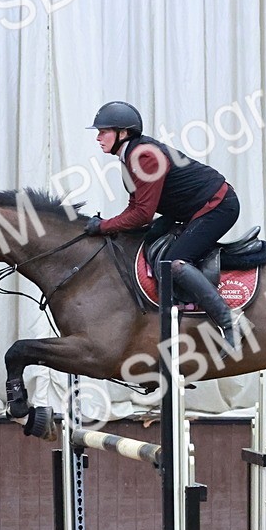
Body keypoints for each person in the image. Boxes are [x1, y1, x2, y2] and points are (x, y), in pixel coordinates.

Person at [83, 101, 240, 349]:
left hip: (218, 207)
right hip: (191, 209)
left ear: (123, 133)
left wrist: (103, 226)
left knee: (176, 263)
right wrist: (110, 226)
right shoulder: (130, 155)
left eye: (103, 131)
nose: (98, 137)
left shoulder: (143, 156)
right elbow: (135, 207)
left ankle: (229, 321)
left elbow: (142, 214)